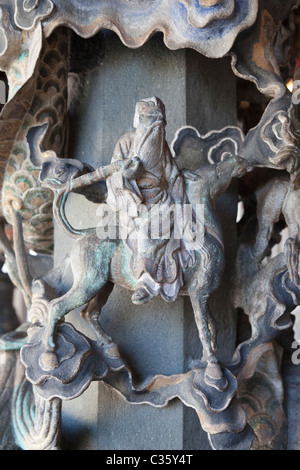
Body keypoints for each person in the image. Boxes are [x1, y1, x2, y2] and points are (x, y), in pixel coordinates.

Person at [106, 97, 197, 305]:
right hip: (137, 200)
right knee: (147, 230)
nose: (155, 123)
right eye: (149, 118)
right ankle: (146, 282)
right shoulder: (126, 141)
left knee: (183, 221)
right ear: (139, 119)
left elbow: (172, 173)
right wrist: (128, 173)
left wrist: (179, 198)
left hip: (162, 198)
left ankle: (183, 262)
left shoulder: (161, 145)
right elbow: (113, 172)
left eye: (159, 119)